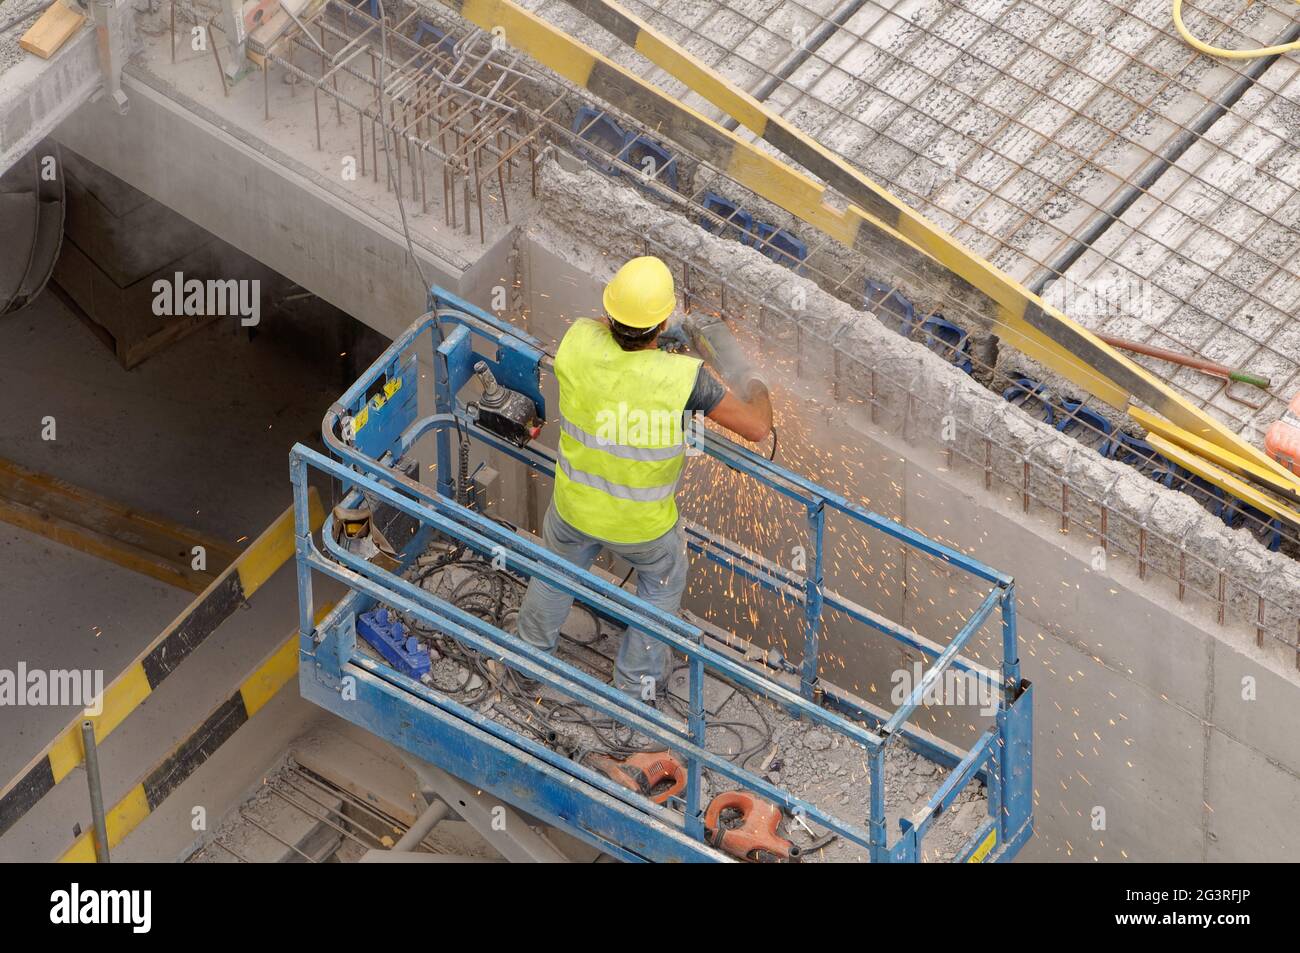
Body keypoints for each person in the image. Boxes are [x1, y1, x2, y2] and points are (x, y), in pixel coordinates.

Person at [515, 256, 772, 702]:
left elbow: (612, 336)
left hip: (574, 508)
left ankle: (525, 663)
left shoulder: (578, 339)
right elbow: (756, 428)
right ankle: (635, 690)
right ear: (662, 321)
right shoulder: (684, 379)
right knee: (662, 585)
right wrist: (754, 378)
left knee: (555, 574)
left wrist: (654, 336)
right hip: (642, 529)